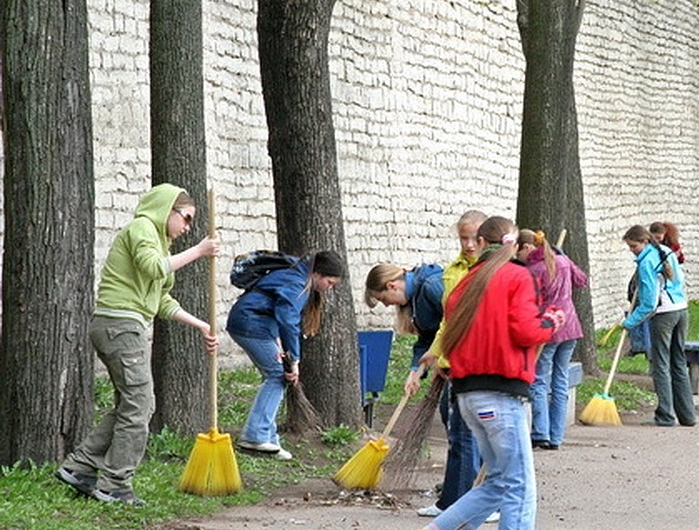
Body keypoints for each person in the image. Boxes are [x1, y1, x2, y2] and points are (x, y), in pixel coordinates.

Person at [403, 216, 564, 530]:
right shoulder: (514, 277)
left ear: (482, 242)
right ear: (511, 244)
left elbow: (450, 338)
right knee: (521, 487)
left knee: (497, 483)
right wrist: (551, 321)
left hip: (468, 394)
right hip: (501, 392)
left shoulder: (465, 283)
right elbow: (525, 330)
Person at [55, 185, 220, 506]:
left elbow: (159, 300)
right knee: (141, 405)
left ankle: (81, 467)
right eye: (185, 218)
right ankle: (115, 483)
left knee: (131, 404)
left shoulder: (159, 240)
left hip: (122, 325)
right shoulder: (142, 228)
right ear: (168, 209)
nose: (187, 227)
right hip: (119, 326)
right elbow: (154, 267)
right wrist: (199, 252)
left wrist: (200, 325)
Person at [227, 250, 346, 460]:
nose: (330, 288)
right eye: (330, 282)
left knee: (275, 375)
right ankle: (255, 435)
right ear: (317, 274)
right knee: (277, 375)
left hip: (253, 323)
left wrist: (283, 351)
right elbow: (287, 318)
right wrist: (294, 360)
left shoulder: (296, 273)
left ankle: (270, 440)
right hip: (251, 324)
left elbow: (276, 310)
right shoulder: (297, 282)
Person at [414, 210, 488, 519]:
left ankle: (467, 503)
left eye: (474, 238)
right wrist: (435, 354)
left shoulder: (491, 271)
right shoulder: (452, 271)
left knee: (467, 433)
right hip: (452, 361)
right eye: (463, 238)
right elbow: (448, 320)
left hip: (476, 362)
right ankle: (452, 500)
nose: (469, 245)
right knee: (455, 430)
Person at [516, 229, 590, 450]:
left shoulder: (534, 269)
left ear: (527, 248)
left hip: (548, 327)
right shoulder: (562, 262)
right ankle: (556, 436)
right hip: (570, 326)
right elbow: (582, 280)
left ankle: (541, 432)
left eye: (518, 251)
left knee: (539, 378)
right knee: (560, 380)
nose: (517, 256)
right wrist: (564, 258)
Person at [622, 224, 696, 427]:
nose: (632, 250)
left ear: (645, 242)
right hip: (681, 310)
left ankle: (665, 415)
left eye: (634, 246)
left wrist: (629, 322)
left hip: (663, 315)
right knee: (679, 362)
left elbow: (649, 304)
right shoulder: (666, 251)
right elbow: (678, 279)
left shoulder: (646, 263)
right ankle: (688, 415)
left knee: (660, 365)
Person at [363, 261, 445, 388]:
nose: (386, 304)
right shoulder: (414, 301)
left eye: (382, 299)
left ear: (391, 286)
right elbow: (427, 336)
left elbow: (459, 322)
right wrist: (414, 372)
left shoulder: (432, 287)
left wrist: (439, 354)